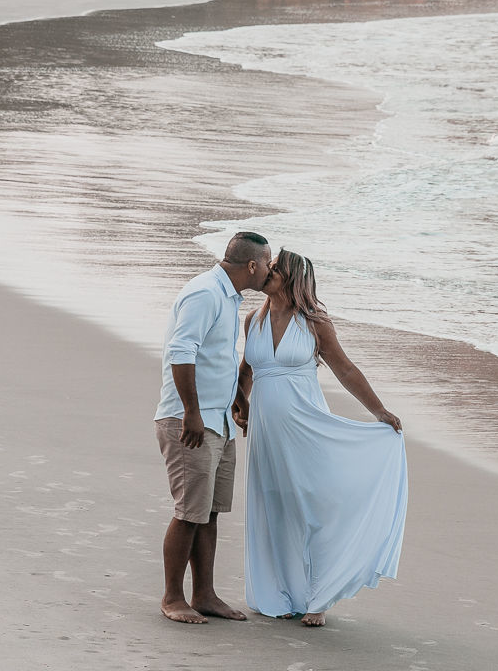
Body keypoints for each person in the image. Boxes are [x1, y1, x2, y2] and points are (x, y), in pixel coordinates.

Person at [237, 250, 407, 627]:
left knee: (313, 509)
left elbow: (345, 369)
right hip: (266, 433)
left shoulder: (314, 323)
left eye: (275, 268)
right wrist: (240, 403)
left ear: (291, 277)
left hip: (307, 429)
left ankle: (320, 594)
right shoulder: (253, 320)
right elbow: (246, 370)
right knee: (274, 508)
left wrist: (378, 411)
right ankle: (280, 593)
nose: (267, 271)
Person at [154, 231, 274, 624]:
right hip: (191, 421)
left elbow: (217, 358)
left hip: (218, 420)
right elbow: (181, 351)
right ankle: (173, 598)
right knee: (189, 512)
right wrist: (191, 411)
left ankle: (204, 594)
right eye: (268, 263)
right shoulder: (205, 293)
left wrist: (237, 399)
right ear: (252, 265)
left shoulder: (229, 297)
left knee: (209, 513)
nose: (271, 270)